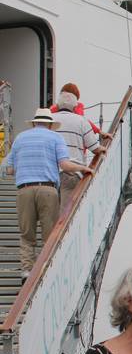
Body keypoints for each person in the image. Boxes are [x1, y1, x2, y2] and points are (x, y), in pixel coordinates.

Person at [0, 108, 91, 278]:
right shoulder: (56, 137)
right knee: (49, 235)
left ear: (34, 123)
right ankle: (46, 271)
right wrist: (83, 168)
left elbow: (9, 169)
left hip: (24, 190)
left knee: (27, 235)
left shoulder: (20, 138)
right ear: (50, 125)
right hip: (48, 190)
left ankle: (26, 272)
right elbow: (65, 165)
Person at [51, 90, 105, 206]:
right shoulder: (81, 121)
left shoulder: (49, 120)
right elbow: (94, 148)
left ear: (57, 105)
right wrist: (103, 149)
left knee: (52, 215)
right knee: (66, 213)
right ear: (75, 107)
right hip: (71, 173)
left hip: (49, 172)